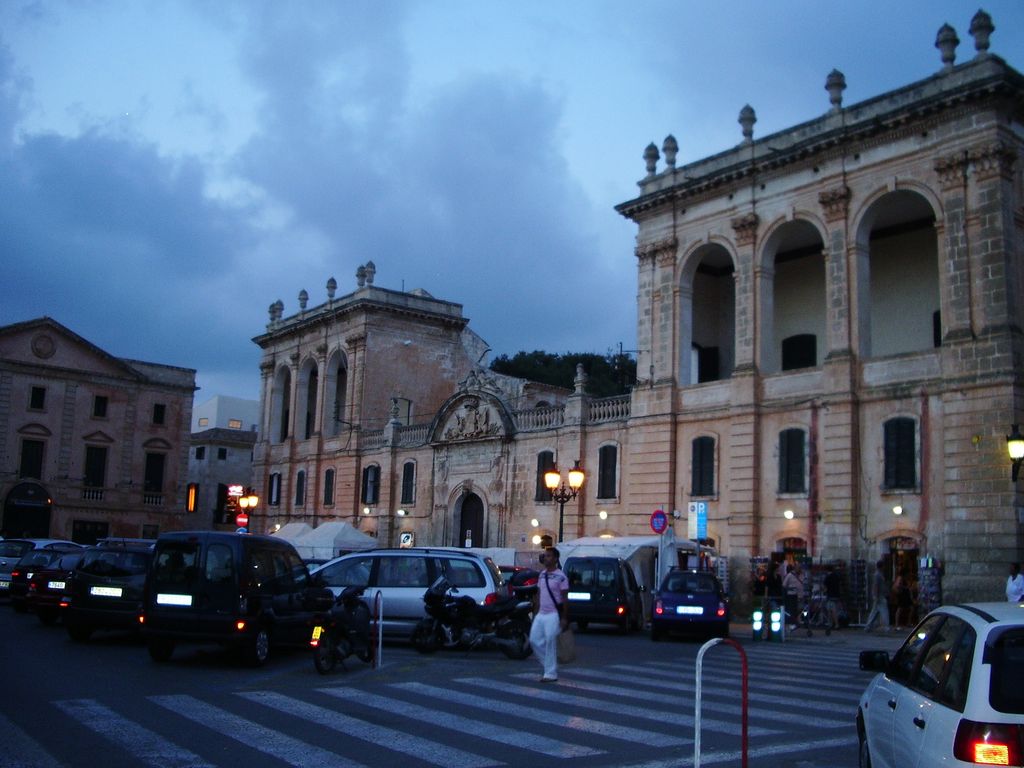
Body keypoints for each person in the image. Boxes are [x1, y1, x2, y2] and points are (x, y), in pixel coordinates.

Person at [529, 546, 568, 683]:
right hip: (541, 613)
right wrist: (535, 611)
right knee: (534, 640)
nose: (546, 558)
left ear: (556, 559)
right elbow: (539, 594)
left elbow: (564, 598)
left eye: (549, 556)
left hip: (553, 614)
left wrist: (564, 617)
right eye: (545, 556)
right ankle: (549, 664)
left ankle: (550, 673)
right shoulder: (542, 574)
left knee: (550, 641)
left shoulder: (561, 576)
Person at [864, 560, 890, 632]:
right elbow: (875, 586)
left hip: (879, 596)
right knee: (884, 611)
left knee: (874, 612)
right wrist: (875, 596)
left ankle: (868, 626)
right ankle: (886, 626)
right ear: (882, 566)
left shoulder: (879, 574)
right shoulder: (878, 575)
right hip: (880, 596)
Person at [782, 564, 804, 631]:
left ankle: (797, 621)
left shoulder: (802, 575)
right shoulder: (789, 575)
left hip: (800, 595)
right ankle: (793, 623)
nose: (799, 569)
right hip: (792, 595)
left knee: (800, 609)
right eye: (798, 568)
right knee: (793, 609)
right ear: (795, 568)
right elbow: (784, 585)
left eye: (800, 568)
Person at [823, 565, 842, 630]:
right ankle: (831, 623)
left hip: (830, 595)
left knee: (832, 610)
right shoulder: (836, 576)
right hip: (837, 595)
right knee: (832, 610)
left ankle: (836, 624)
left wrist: (824, 591)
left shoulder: (827, 577)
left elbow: (825, 587)